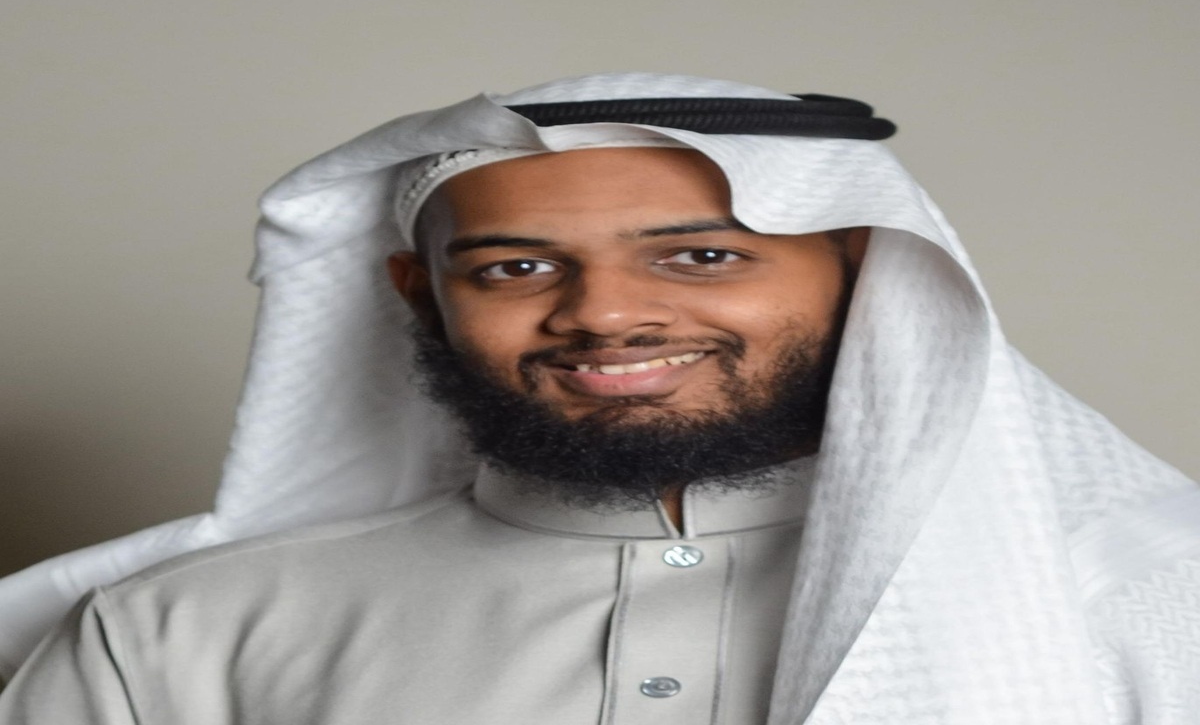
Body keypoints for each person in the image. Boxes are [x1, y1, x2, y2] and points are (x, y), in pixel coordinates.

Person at [0, 73, 1197, 723]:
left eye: (702, 255)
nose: (604, 314)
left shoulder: (1139, 599)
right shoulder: (180, 632)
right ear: (422, 294)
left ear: (867, 271)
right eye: (515, 267)